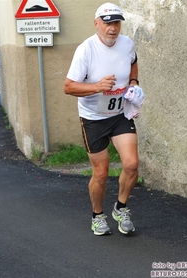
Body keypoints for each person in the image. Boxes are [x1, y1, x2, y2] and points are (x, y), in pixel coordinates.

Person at [64, 3, 140, 236]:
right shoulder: (85, 49)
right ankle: (98, 216)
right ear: (97, 23)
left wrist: (134, 84)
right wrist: (97, 87)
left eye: (116, 23)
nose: (112, 28)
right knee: (102, 172)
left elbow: (133, 63)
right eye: (107, 23)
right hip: (93, 118)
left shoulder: (127, 44)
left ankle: (121, 207)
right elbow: (68, 87)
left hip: (119, 114)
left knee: (131, 164)